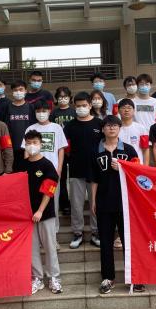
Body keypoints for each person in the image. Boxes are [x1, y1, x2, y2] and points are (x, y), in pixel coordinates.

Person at [90, 115, 144, 295]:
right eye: (108, 125)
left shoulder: (128, 150)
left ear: (120, 128)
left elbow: (138, 173)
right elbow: (94, 179)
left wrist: (123, 168)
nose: (111, 128)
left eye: (115, 125)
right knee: (105, 242)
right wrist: (93, 200)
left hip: (125, 203)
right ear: (103, 129)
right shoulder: (96, 150)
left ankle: (134, 278)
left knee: (128, 240)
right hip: (103, 202)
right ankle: (108, 278)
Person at [23, 130, 62, 294]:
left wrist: (40, 210)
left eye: (35, 143)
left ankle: (54, 278)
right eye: (29, 143)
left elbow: (49, 189)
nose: (32, 146)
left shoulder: (47, 165)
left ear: (41, 144)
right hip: (26, 215)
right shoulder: (22, 164)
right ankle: (37, 278)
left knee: (50, 247)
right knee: (32, 249)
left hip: (45, 214)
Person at [63, 92, 102, 249]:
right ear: (74, 107)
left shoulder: (99, 123)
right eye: (78, 106)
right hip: (76, 170)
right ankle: (77, 233)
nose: (81, 108)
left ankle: (96, 232)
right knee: (76, 204)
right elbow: (66, 148)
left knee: (95, 203)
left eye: (84, 105)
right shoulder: (70, 126)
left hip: (96, 171)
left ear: (90, 105)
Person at [24, 100, 68, 234]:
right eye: (38, 111)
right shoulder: (30, 128)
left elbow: (61, 149)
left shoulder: (56, 128)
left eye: (44, 111)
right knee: (34, 202)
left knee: (53, 204)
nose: (41, 114)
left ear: (49, 111)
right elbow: (26, 150)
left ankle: (54, 234)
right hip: (34, 173)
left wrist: (59, 168)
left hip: (51, 172)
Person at [50, 86, 76, 215]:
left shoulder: (74, 112)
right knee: (62, 178)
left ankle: (75, 204)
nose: (63, 99)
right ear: (56, 98)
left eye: (65, 96)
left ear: (70, 98)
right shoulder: (54, 113)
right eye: (60, 97)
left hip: (73, 149)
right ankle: (64, 204)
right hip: (59, 149)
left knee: (74, 179)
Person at [5, 80, 36, 172]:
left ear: (25, 91)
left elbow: (34, 127)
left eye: (21, 89)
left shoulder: (31, 107)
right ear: (12, 92)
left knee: (28, 174)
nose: (18, 92)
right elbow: (5, 127)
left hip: (28, 148)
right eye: (15, 90)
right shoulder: (7, 107)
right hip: (12, 148)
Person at [118, 99, 150, 166]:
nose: (126, 110)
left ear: (134, 110)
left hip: (137, 165)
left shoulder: (141, 128)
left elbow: (145, 149)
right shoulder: (115, 129)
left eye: (129, 108)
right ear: (118, 111)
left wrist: (145, 167)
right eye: (123, 108)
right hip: (120, 165)